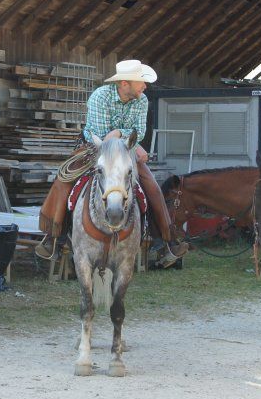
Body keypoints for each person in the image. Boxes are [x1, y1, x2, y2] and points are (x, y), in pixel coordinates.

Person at [36, 59, 191, 268]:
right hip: (94, 146)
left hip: (125, 149)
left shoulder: (142, 100)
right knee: (64, 180)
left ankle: (166, 239)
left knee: (152, 186)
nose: (145, 86)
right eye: (140, 82)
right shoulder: (100, 96)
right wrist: (125, 140)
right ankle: (54, 237)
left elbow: (139, 132)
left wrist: (119, 133)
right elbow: (99, 135)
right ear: (125, 83)